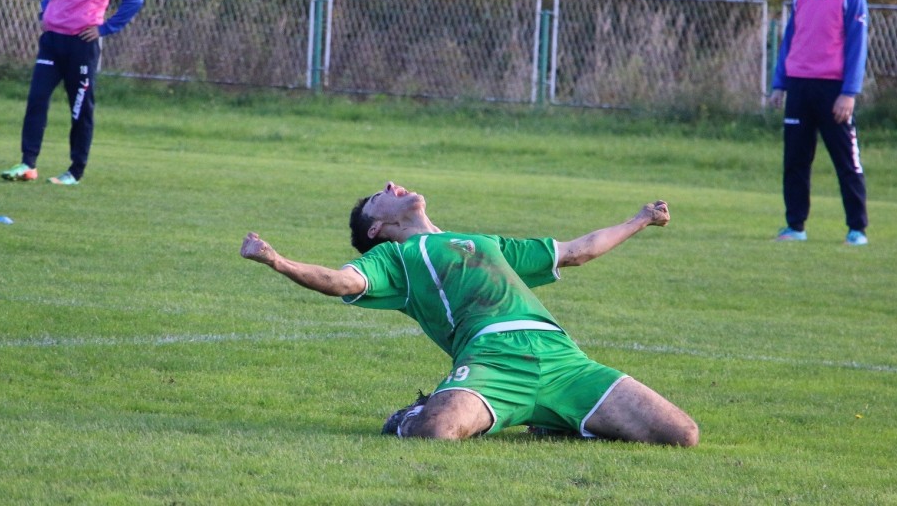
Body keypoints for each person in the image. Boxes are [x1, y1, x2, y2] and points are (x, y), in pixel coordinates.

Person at [240, 181, 699, 446]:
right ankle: (412, 415)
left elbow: (577, 252)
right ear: (377, 228)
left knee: (682, 435)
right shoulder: (394, 259)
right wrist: (278, 261)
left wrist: (639, 219)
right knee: (436, 433)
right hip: (490, 362)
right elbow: (341, 282)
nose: (389, 186)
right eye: (378, 197)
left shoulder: (485, 243)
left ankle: (551, 420)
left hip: (563, 359)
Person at [0, 0, 144, 186]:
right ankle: (28, 164)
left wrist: (105, 28)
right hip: (52, 41)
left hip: (81, 45)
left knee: (80, 108)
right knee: (36, 100)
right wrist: (46, 11)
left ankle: (74, 171)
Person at [769, 0, 869, 246]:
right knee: (796, 160)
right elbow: (789, 43)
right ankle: (795, 226)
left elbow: (857, 48)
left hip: (833, 91)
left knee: (846, 161)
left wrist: (849, 93)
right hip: (799, 88)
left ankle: (857, 230)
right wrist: (779, 85)